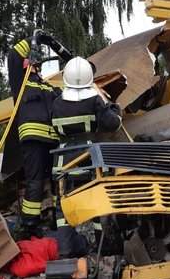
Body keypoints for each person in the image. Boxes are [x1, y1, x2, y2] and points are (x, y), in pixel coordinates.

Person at [51, 57, 123, 257]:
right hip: (88, 159)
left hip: (62, 161)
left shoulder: (57, 102)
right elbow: (112, 124)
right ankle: (102, 248)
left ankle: (66, 250)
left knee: (63, 207)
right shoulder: (94, 99)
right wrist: (114, 109)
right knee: (95, 202)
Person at [7, 31, 72, 238]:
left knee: (56, 180)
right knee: (35, 182)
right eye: (35, 63)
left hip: (52, 140)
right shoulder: (21, 82)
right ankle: (29, 225)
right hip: (33, 140)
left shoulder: (49, 87)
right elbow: (14, 54)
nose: (37, 66)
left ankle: (56, 218)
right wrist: (39, 40)